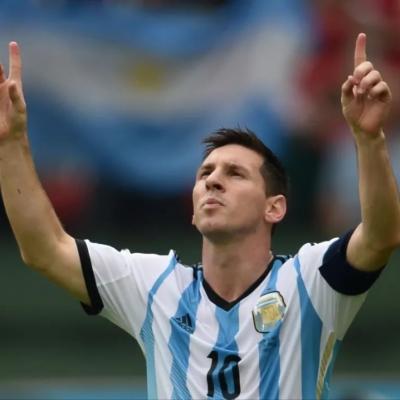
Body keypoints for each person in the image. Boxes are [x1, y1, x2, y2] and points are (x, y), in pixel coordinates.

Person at [0, 33, 399, 399]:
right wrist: (10, 141)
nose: (213, 181)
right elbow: (45, 248)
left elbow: (380, 236)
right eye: (205, 173)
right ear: (193, 211)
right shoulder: (155, 287)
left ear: (274, 207)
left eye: (235, 173)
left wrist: (368, 139)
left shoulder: (309, 282)